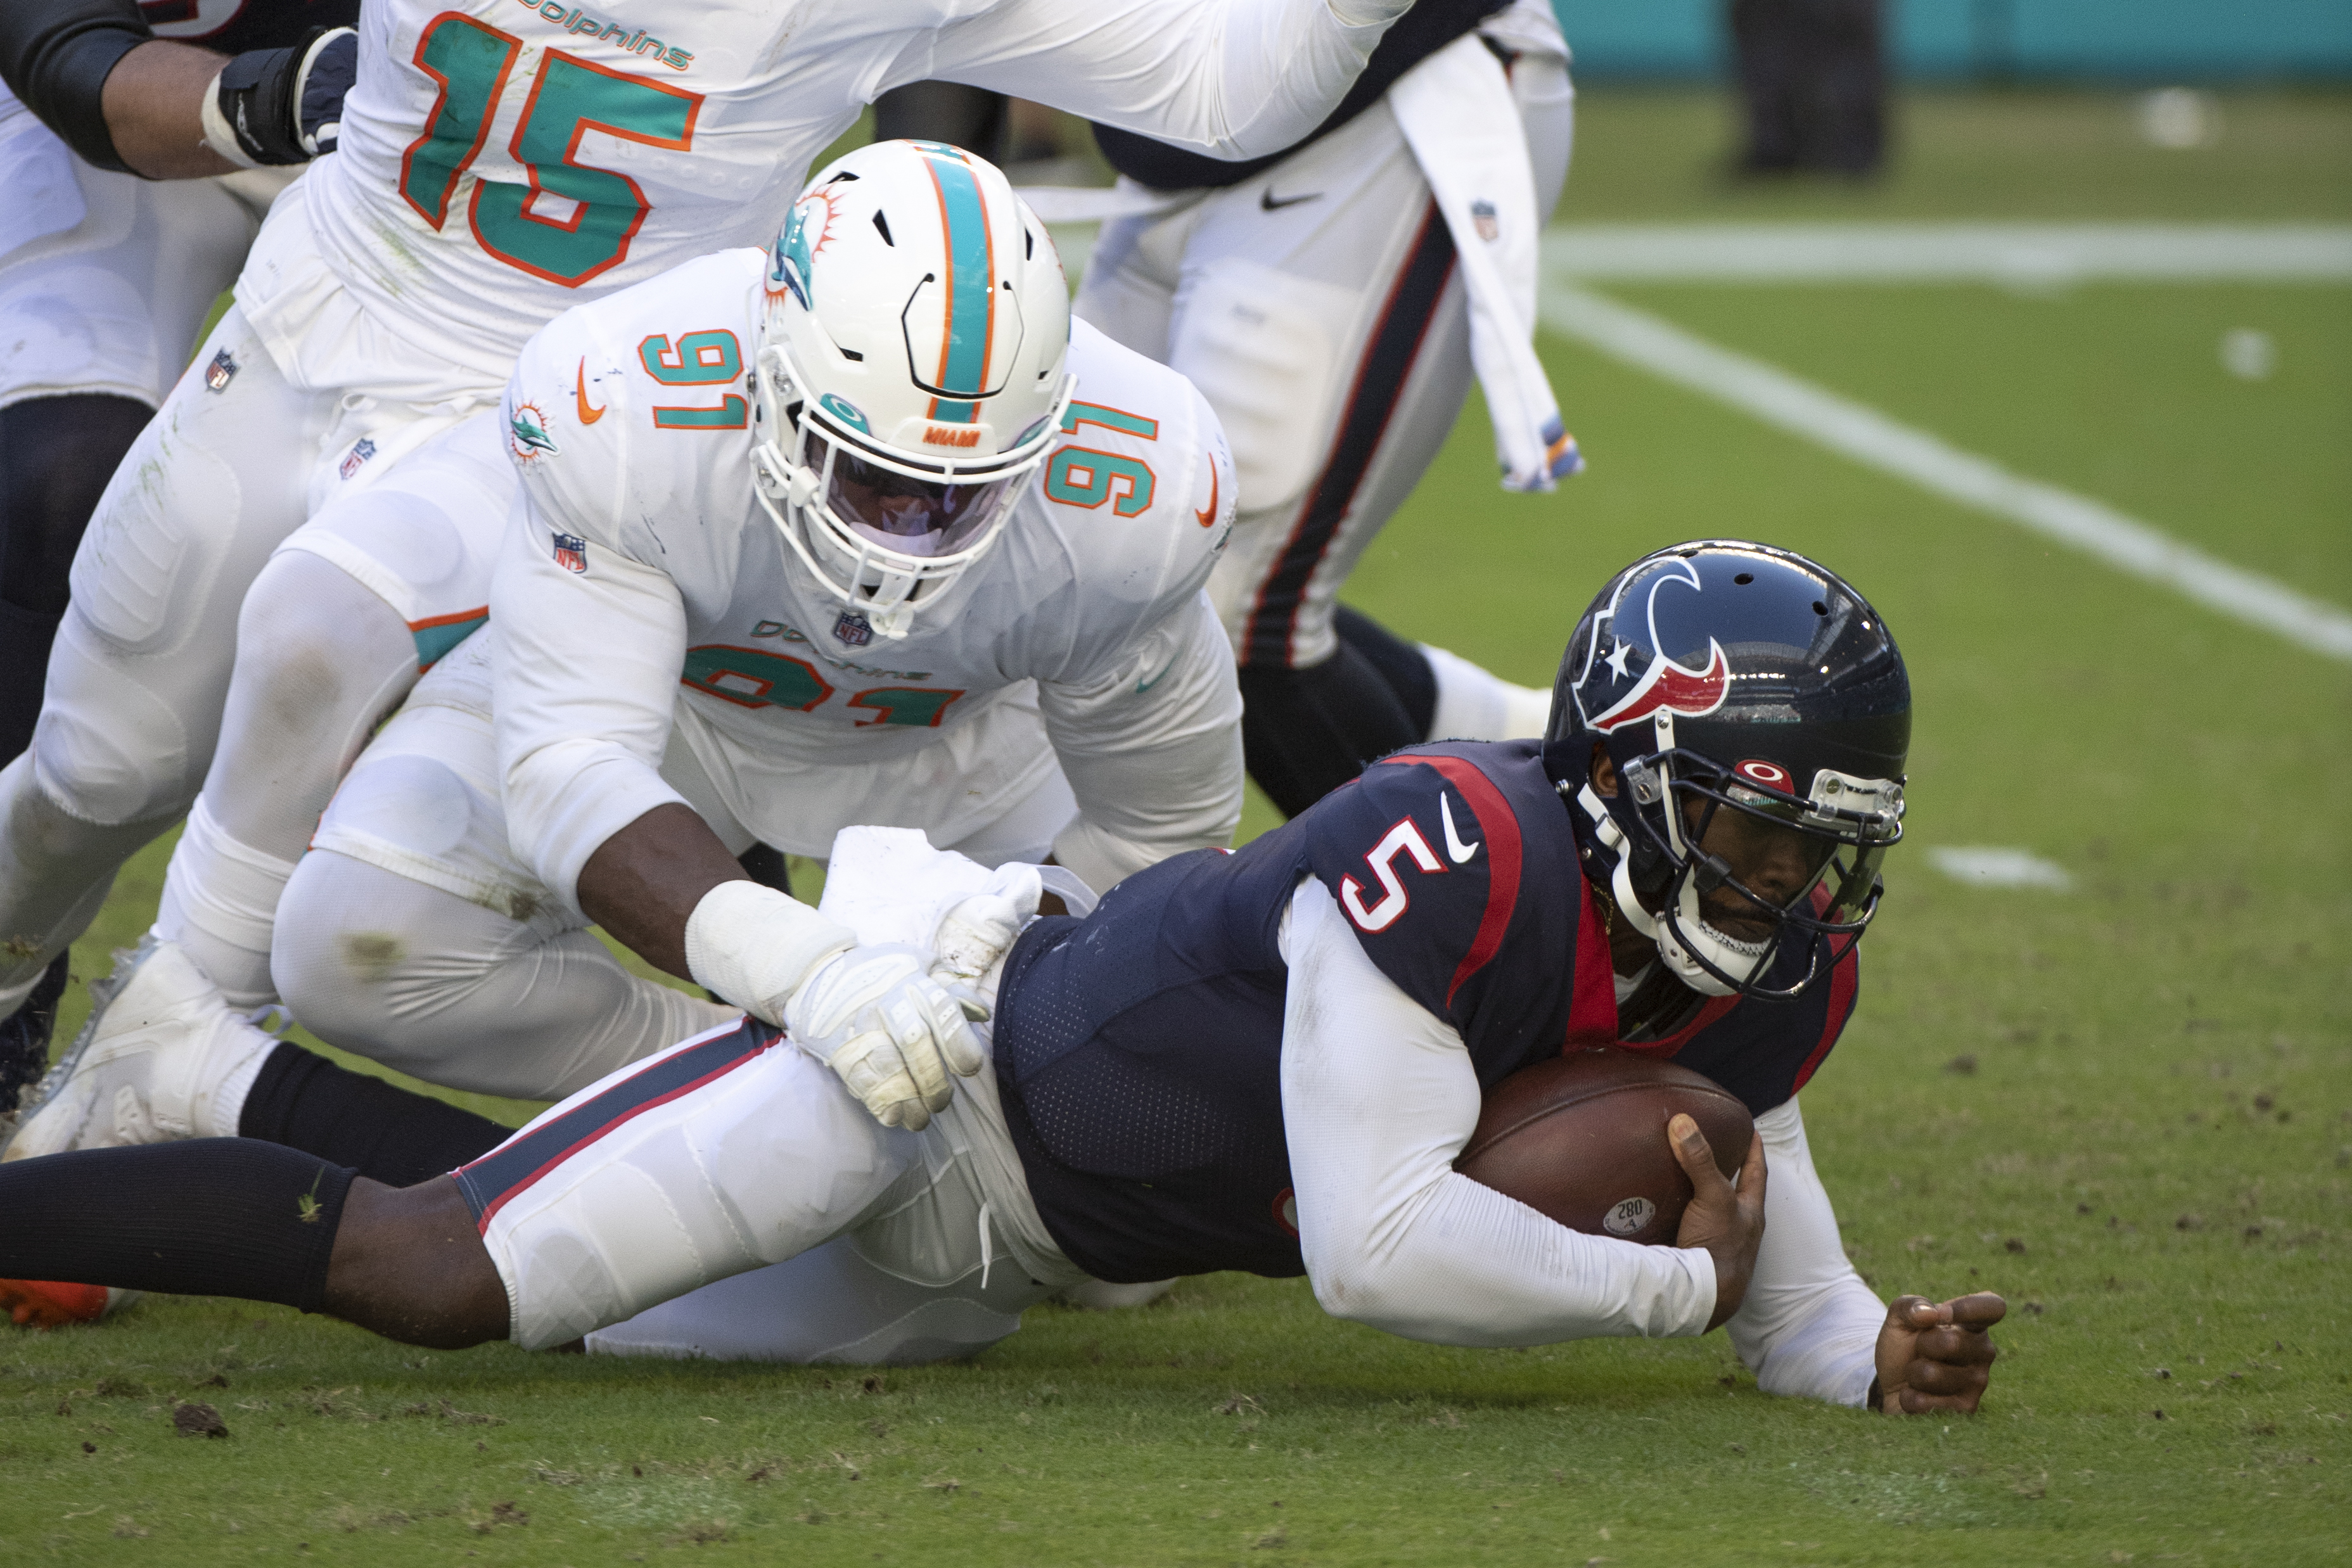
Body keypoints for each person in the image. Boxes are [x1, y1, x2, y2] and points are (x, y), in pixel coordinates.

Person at [0, 540, 2006, 1413]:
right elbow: (1382, 1250)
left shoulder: (1761, 978)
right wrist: (1676, 1289)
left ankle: (229, 1100)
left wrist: (1861, 1350)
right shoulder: (1457, 849)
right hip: (923, 1063)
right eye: (1761, 830)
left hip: (1020, 1253)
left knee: (575, 1327)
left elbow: (1779, 1263)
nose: (1795, 881)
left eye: (1827, 843)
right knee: (442, 1278)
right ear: (1634, 783)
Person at [0, 0, 1422, 1075]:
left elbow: (1227, 93)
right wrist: (246, 95)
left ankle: (173, 1055)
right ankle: (31, 994)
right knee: (91, 771)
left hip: (568, 407)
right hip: (310, 327)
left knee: (321, 637)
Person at [1073, 0, 1579, 818]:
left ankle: (1465, 929)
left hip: (1385, 84)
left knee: (1225, 612)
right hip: (1178, 114)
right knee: (1078, 561)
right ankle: (1528, 744)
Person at [0, 0, 360, 1106]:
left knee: (623, 471)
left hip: (417, 159)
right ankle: (19, 998)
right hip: (125, 134)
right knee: (55, 479)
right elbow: (77, 73)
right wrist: (279, 94)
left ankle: (753, 1023)